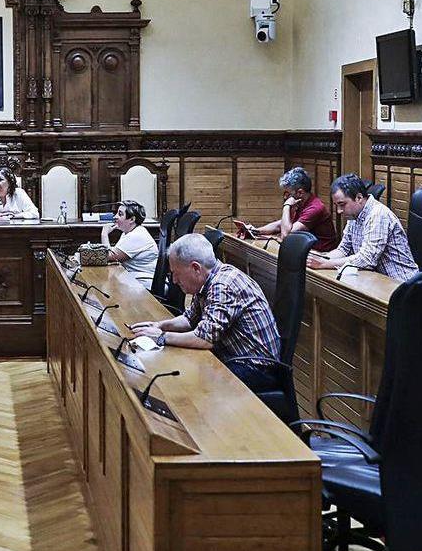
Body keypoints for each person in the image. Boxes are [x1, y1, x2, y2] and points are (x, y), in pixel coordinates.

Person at [130, 234, 283, 393]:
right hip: (232, 357)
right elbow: (189, 319)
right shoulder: (207, 280)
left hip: (257, 368)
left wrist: (161, 336)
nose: (174, 280)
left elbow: (204, 339)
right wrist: (158, 325)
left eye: (176, 273)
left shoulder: (223, 285)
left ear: (195, 268)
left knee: (188, 386)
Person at [306, 173, 419, 281]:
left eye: (342, 204)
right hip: (375, 280)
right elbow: (344, 249)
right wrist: (321, 258)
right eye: (337, 205)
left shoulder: (378, 214)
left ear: (359, 198)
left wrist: (325, 263)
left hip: (400, 283)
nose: (339, 211)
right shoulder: (353, 215)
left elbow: (367, 258)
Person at [237, 166, 337, 252]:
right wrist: (255, 231)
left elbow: (287, 236)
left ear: (300, 193)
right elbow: (280, 225)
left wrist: (286, 206)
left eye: (288, 194)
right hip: (308, 251)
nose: (285, 197)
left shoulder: (315, 208)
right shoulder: (300, 202)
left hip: (322, 254)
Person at [100, 200, 158, 288]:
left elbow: (109, 256)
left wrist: (104, 234)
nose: (115, 217)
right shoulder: (128, 233)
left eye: (120, 214)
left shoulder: (136, 235)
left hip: (145, 283)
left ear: (132, 219)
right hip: (134, 278)